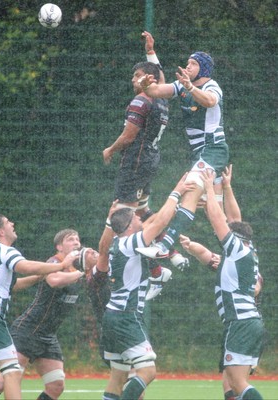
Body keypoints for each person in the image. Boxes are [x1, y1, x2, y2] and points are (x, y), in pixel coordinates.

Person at [103, 31, 189, 300]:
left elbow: (128, 136)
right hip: (151, 160)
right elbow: (160, 77)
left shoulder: (141, 100)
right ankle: (167, 257)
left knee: (120, 215)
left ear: (145, 79)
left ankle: (105, 268)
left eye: (135, 76)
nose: (132, 81)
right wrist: (151, 51)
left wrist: (110, 149)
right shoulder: (161, 99)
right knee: (142, 210)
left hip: (136, 162)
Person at [96, 174, 195, 400]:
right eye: (136, 217)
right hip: (126, 317)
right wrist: (177, 191)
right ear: (130, 225)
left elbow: (155, 221)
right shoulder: (130, 243)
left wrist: (176, 203)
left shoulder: (118, 243)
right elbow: (159, 222)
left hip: (113, 316)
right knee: (148, 371)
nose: (141, 219)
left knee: (118, 377)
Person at [0, 214, 81, 400]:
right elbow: (26, 266)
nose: (12, 224)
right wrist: (62, 265)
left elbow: (13, 285)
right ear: (1, 231)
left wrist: (39, 277)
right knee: (12, 371)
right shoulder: (5, 250)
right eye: (8, 223)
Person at [136, 34, 229, 260]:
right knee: (214, 209)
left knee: (188, 191)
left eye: (193, 64)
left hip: (214, 149)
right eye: (187, 63)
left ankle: (164, 246)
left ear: (204, 69)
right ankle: (233, 252)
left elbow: (209, 101)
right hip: (200, 153)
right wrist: (146, 86)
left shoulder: (211, 86)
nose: (188, 66)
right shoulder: (182, 85)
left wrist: (190, 87)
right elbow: (158, 92)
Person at [0, 228, 99, 400]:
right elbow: (54, 281)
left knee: (56, 386)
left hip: (48, 336)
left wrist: (97, 264)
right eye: (70, 239)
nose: (76, 242)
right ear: (59, 247)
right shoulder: (54, 261)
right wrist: (82, 271)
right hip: (28, 330)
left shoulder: (77, 270)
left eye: (77, 239)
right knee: (6, 380)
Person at [198, 169, 264, 399]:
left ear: (235, 237)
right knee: (229, 384)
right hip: (249, 322)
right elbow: (235, 220)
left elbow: (220, 220)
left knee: (237, 383)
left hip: (240, 322)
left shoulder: (235, 249)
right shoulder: (248, 248)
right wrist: (226, 187)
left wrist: (208, 188)